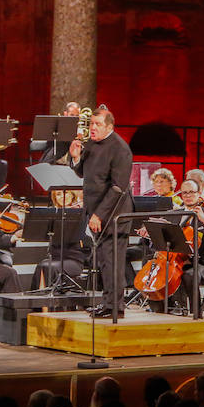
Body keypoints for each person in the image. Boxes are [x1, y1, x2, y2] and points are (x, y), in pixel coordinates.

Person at [71, 106, 134, 318]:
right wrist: (76, 157)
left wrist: (99, 214)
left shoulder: (120, 149)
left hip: (114, 215)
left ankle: (115, 307)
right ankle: (107, 304)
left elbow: (118, 188)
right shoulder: (91, 145)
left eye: (97, 124)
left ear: (109, 127)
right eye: (91, 124)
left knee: (113, 262)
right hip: (95, 213)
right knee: (104, 262)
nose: (93, 128)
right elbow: (83, 173)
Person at [143, 179, 204, 314]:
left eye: (191, 192)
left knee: (188, 274)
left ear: (200, 194)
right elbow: (164, 240)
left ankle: (195, 313)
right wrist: (150, 234)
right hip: (176, 259)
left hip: (202, 263)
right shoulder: (174, 213)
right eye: (184, 193)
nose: (187, 196)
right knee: (158, 270)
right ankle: (162, 307)